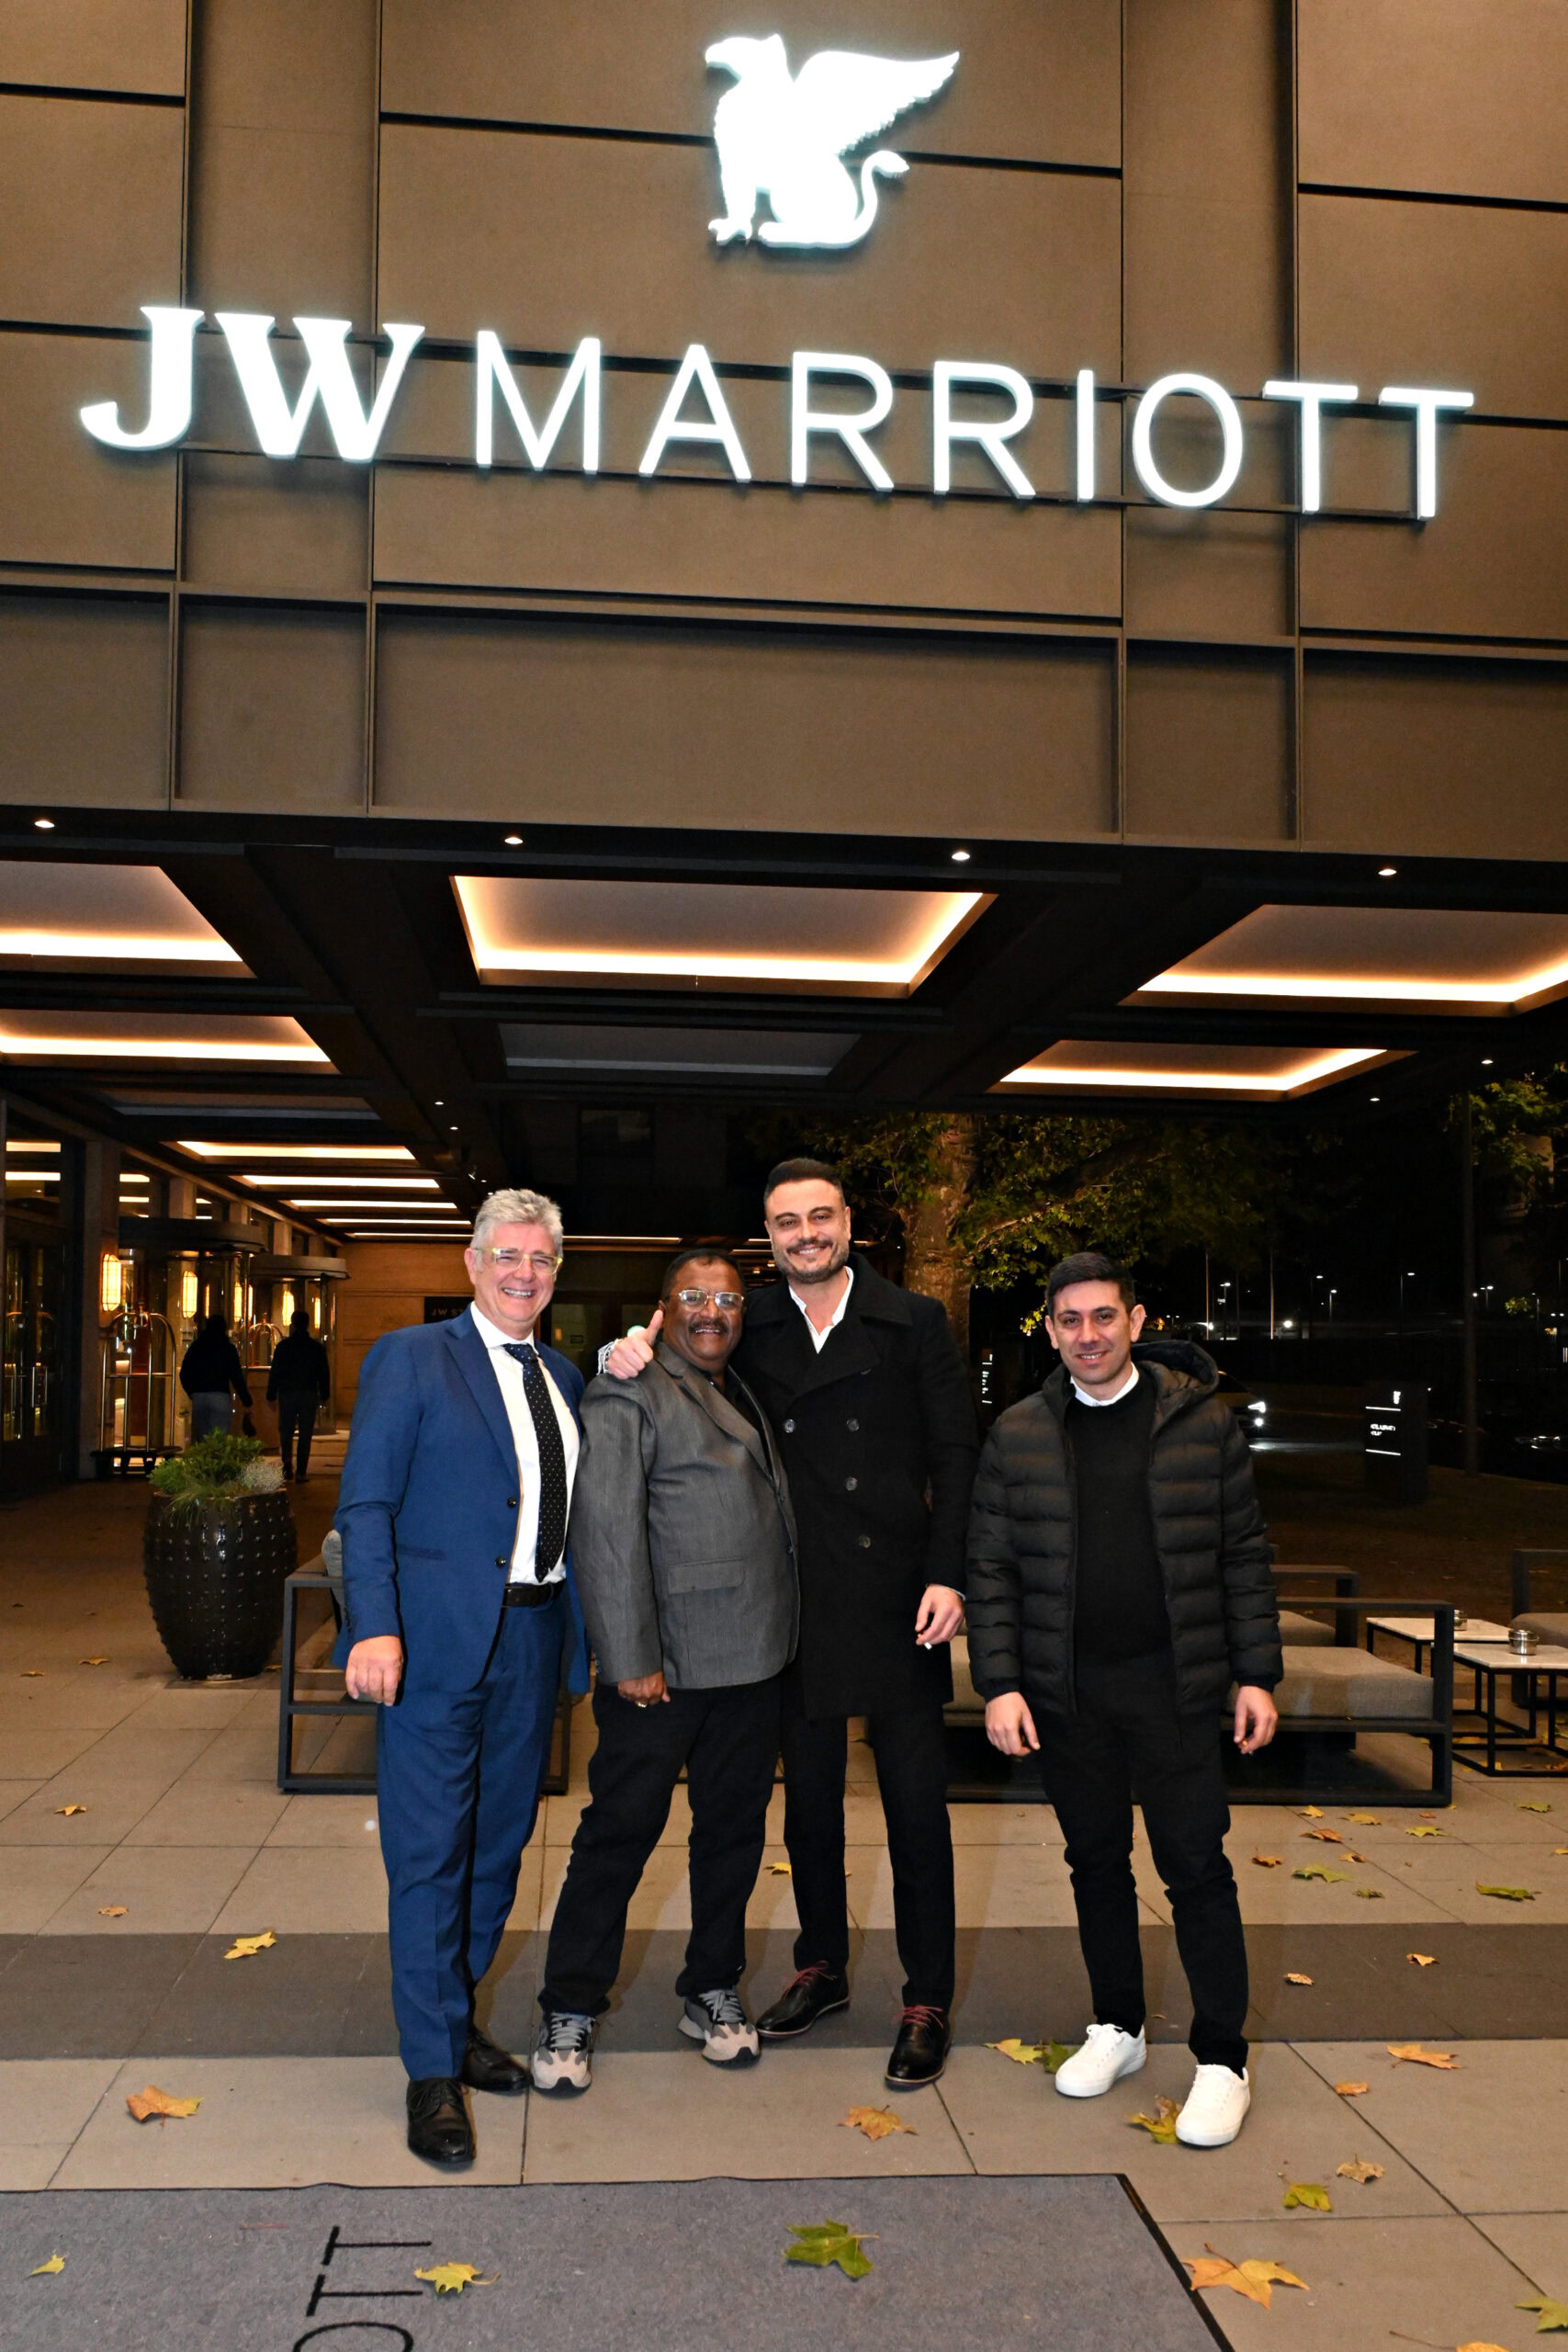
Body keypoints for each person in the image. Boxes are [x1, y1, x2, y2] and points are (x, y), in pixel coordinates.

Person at [604, 1159, 977, 2087]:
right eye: (785, 1221)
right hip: (796, 1599)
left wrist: (949, 1575)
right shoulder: (747, 1321)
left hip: (899, 1597)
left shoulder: (914, 1320)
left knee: (916, 1810)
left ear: (848, 1222)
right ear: (768, 1237)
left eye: (820, 1216)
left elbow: (955, 1456)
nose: (805, 1233)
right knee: (809, 1803)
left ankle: (927, 1996)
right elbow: (671, 1365)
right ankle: (822, 1967)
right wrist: (623, 1352)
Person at [965, 1250, 1281, 2150]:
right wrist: (1001, 1683)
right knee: (1095, 1863)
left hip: (1175, 1688)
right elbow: (990, 1567)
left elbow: (1242, 1553)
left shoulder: (1202, 1423)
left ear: (1136, 1322)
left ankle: (1222, 2059)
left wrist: (1256, 1673)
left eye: (1104, 1316)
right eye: (1069, 1320)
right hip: (1068, 1694)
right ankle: (1118, 2025)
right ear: (1050, 1330)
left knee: (1195, 1867)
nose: (1088, 1334)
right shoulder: (1019, 1431)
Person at [334, 1187, 590, 2168]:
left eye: (541, 1258)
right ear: (473, 1263)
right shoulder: (413, 1357)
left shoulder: (562, 1374)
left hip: (532, 1639)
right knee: (429, 1854)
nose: (525, 1272)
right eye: (507, 1255)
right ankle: (431, 2070)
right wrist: (375, 1626)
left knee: (497, 1849)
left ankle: (456, 2014)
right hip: (434, 1647)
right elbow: (366, 1504)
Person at [533, 1249, 797, 2095]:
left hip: (752, 1661)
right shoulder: (628, 1391)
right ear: (663, 1308)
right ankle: (569, 2005)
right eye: (693, 1296)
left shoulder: (738, 1385)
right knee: (618, 1836)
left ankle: (710, 1986)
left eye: (727, 1299)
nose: (711, 1311)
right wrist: (631, 1658)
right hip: (664, 1669)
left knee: (732, 1835)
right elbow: (605, 1532)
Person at [266, 1309, 332, 1482]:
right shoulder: (316, 1348)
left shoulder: (283, 1347)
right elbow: (323, 1373)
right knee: (305, 1433)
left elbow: (276, 1372)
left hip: (287, 1392)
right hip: (308, 1393)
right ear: (308, 1324)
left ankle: (287, 1463)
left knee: (286, 1430)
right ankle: (301, 1471)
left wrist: (271, 1394)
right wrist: (324, 1394)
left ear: (292, 1324)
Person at [179, 1311, 252, 1441]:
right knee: (219, 1440)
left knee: (204, 1438)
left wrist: (192, 1392)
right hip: (220, 1396)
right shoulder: (227, 1348)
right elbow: (236, 1376)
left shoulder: (196, 1347)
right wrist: (246, 1400)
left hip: (199, 1397)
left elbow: (184, 1372)